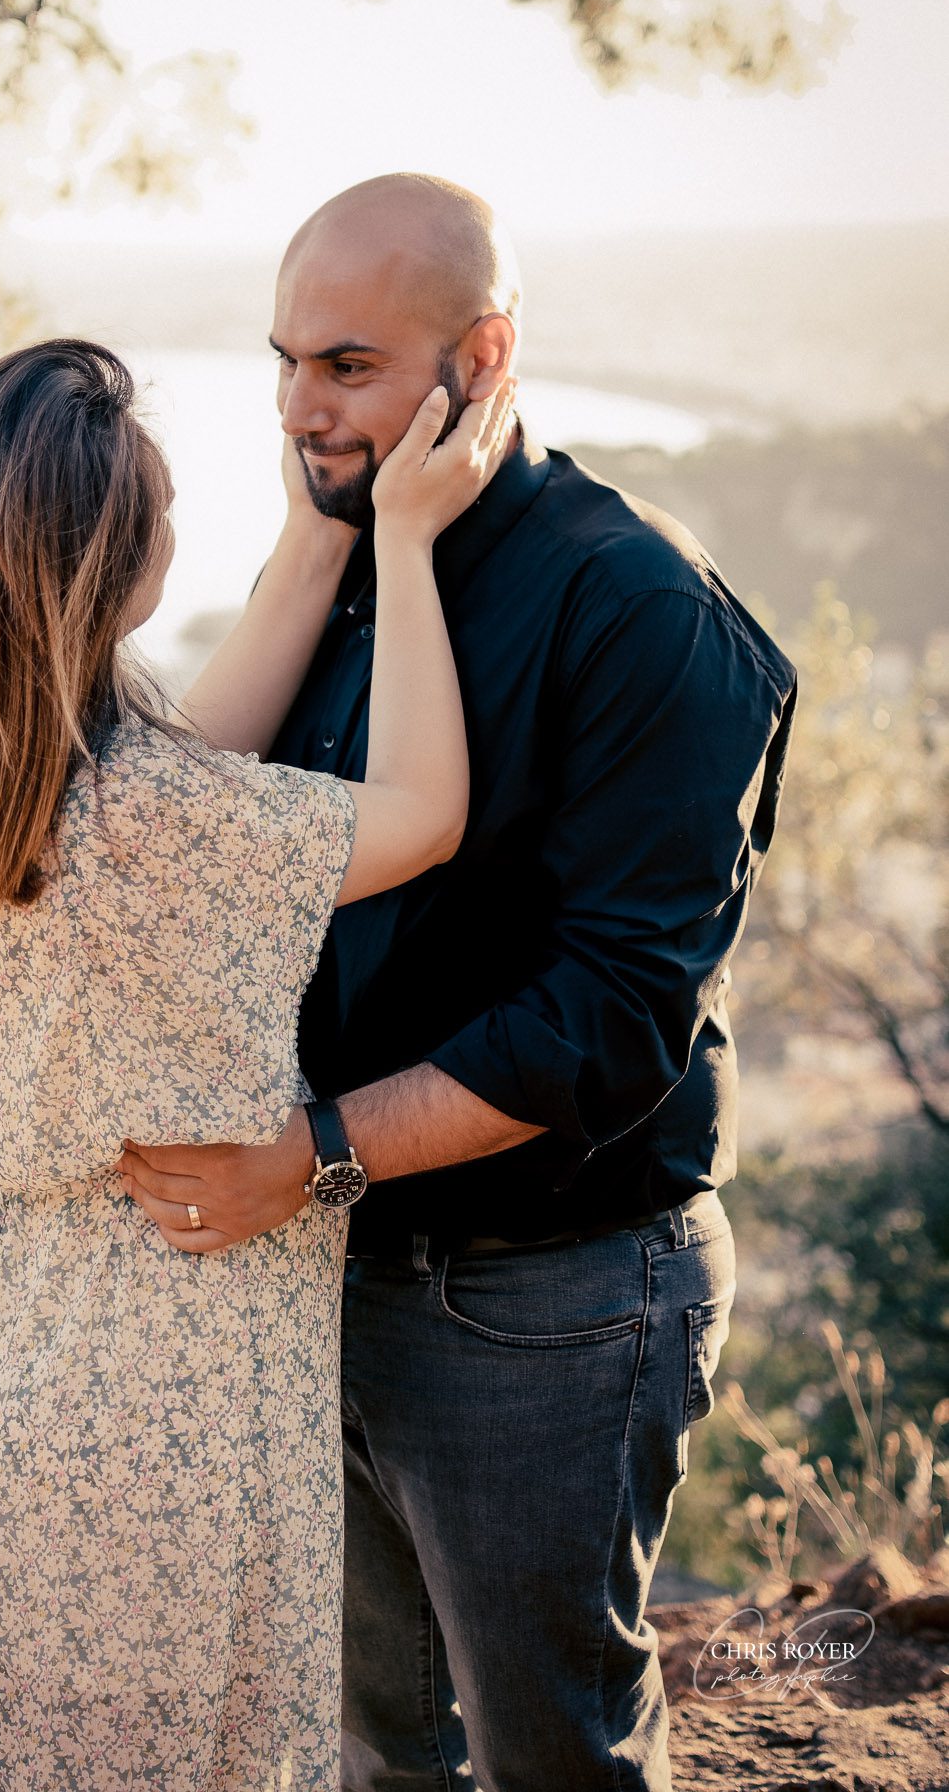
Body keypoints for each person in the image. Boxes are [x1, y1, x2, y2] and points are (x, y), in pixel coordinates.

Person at [121, 174, 799, 1792]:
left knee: (547, 1755)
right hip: (328, 1267)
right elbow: (190, 839)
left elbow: (609, 1016)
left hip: (543, 1301)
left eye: (344, 365)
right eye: (282, 360)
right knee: (375, 1744)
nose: (298, 407)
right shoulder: (346, 560)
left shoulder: (638, 609)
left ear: (480, 354)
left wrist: (312, 1151)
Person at [0, 336, 517, 1791]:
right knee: (176, 1737)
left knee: (29, 1729)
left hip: (4, 1326)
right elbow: (421, 811)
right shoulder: (158, 825)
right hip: (165, 1350)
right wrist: (397, 537)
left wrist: (305, 546)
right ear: (102, 573)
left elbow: (188, 774)